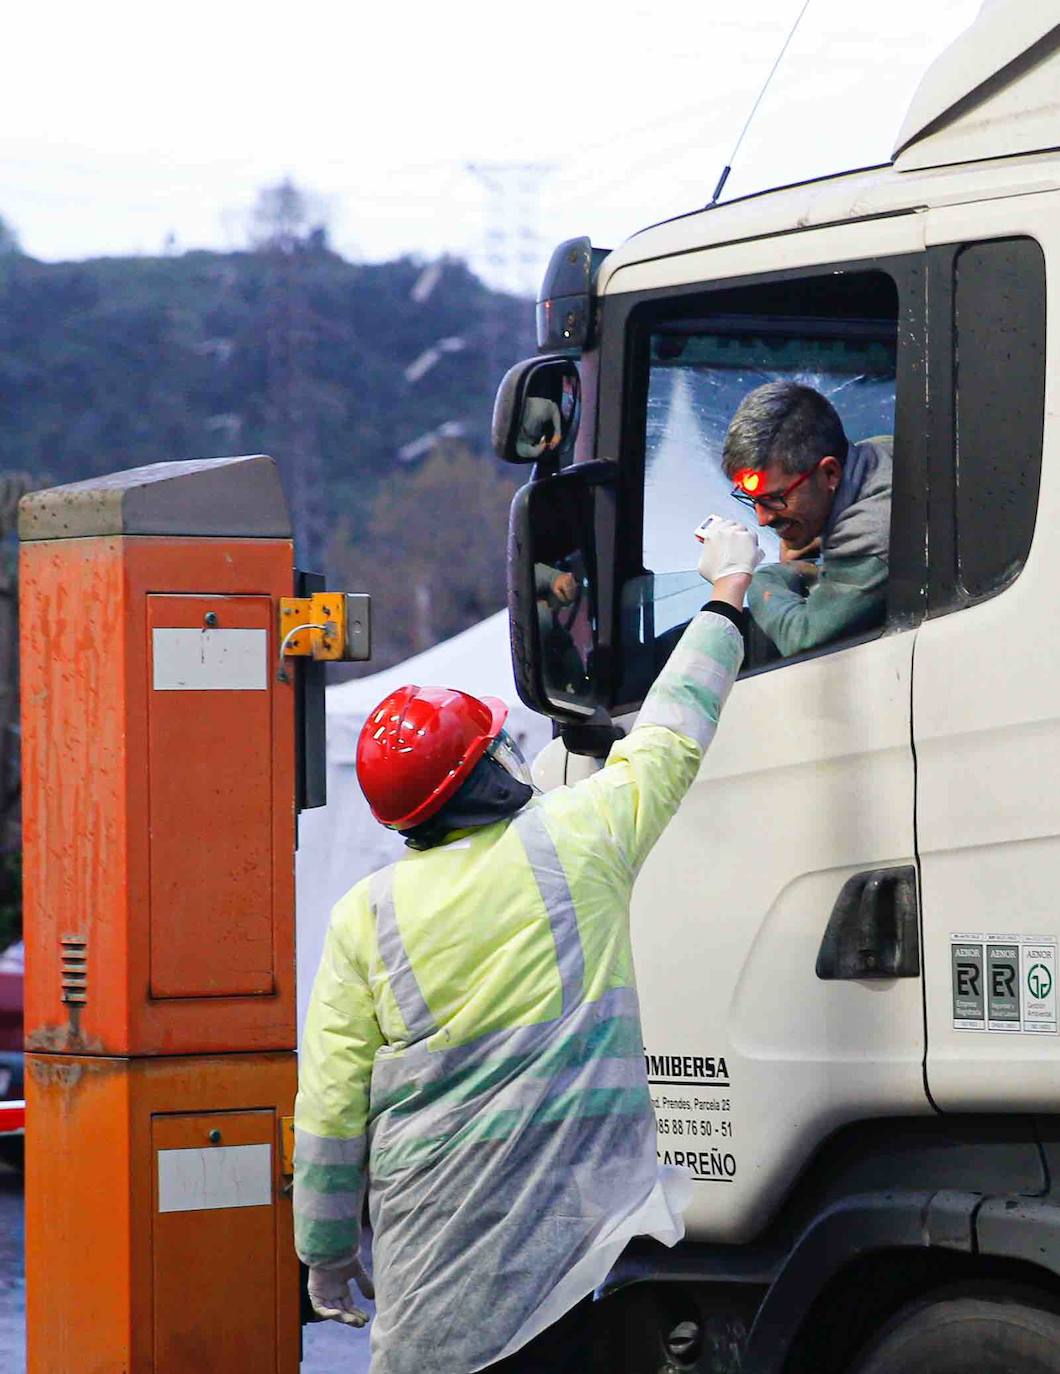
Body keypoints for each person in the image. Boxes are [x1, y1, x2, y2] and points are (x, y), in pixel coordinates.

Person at [293, 518, 762, 1374]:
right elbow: (671, 732)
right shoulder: (579, 840)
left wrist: (325, 1252)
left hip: (435, 1295)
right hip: (577, 1274)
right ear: (487, 768)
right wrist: (728, 592)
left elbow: (328, 1112)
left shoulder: (365, 915)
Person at [721, 380, 893, 657]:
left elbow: (803, 637)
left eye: (775, 498)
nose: (762, 519)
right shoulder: (877, 452)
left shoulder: (869, 534)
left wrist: (760, 579)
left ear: (830, 474)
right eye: (753, 500)